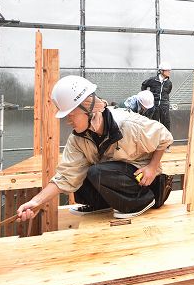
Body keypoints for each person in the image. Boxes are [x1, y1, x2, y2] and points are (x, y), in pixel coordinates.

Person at [17, 75, 174, 222]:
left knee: (96, 172)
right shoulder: (78, 140)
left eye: (71, 115)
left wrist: (152, 167)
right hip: (115, 176)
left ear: (88, 109)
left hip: (144, 182)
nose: (68, 121)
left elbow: (165, 137)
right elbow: (66, 176)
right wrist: (36, 202)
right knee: (81, 171)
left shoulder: (128, 125)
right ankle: (102, 204)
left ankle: (140, 202)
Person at [141, 62, 173, 133]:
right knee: (153, 124)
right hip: (154, 105)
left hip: (164, 106)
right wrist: (146, 95)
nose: (169, 72)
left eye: (169, 70)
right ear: (161, 71)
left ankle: (166, 142)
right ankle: (153, 142)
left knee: (166, 124)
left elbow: (168, 92)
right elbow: (144, 85)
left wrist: (164, 102)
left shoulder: (169, 83)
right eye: (167, 70)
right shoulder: (153, 80)